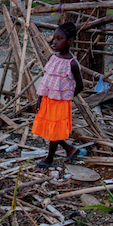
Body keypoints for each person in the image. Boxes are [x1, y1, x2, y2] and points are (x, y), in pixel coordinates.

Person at [32, 22, 85, 172]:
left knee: (54, 130)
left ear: (69, 41)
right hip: (48, 100)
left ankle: (49, 159)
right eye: (54, 38)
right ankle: (70, 149)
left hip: (60, 102)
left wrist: (67, 97)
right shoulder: (52, 58)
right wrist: (39, 99)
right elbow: (46, 81)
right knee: (51, 129)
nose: (54, 42)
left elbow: (80, 86)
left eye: (59, 38)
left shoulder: (72, 63)